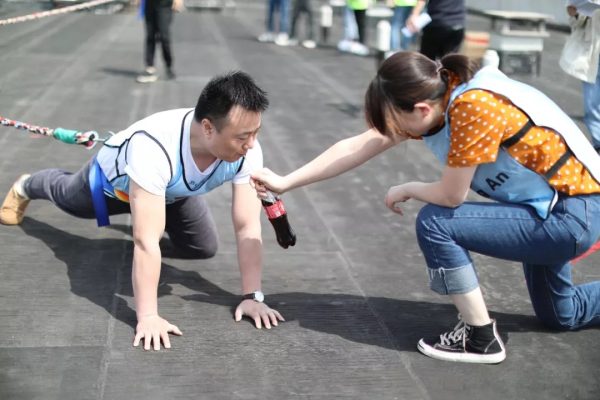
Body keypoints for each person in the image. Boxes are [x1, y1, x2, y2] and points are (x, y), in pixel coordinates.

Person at [251, 52, 600, 364]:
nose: (398, 133)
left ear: (420, 109)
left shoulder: (473, 107)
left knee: (436, 222)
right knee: (562, 314)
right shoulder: (440, 99)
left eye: (397, 123)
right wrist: (286, 181)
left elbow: (451, 196)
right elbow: (358, 145)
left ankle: (480, 338)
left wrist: (407, 188)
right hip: (557, 209)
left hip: (570, 216)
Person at [0, 71, 285, 351]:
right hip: (113, 188)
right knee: (67, 196)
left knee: (202, 247)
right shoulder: (154, 147)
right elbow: (146, 241)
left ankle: (152, 220)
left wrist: (253, 297)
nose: (251, 144)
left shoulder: (247, 148)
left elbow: (247, 225)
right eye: (243, 137)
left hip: (172, 193)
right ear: (208, 128)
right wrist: (147, 316)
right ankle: (26, 185)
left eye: (256, 133)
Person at [559, 4, 600, 152]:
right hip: (593, 54)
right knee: (592, 107)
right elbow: (575, 24)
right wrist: (575, 14)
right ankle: (598, 144)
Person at [136, 0, 183, 83]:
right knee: (150, 35)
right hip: (149, 4)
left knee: (164, 36)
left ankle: (168, 65)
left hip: (164, 5)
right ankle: (150, 67)